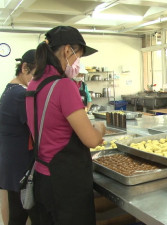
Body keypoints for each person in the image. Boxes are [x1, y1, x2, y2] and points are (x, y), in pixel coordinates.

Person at [25, 26, 106, 225]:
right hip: (66, 185)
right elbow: (92, 140)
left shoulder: (34, 84)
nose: (79, 62)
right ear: (68, 50)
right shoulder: (63, 86)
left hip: (43, 178)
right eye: (79, 55)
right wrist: (101, 128)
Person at [0, 49, 39, 225]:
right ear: (24, 68)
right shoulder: (20, 95)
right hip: (18, 164)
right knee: (20, 214)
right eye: (37, 76)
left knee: (17, 211)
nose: (39, 82)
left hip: (11, 160)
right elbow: (38, 129)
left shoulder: (10, 89)